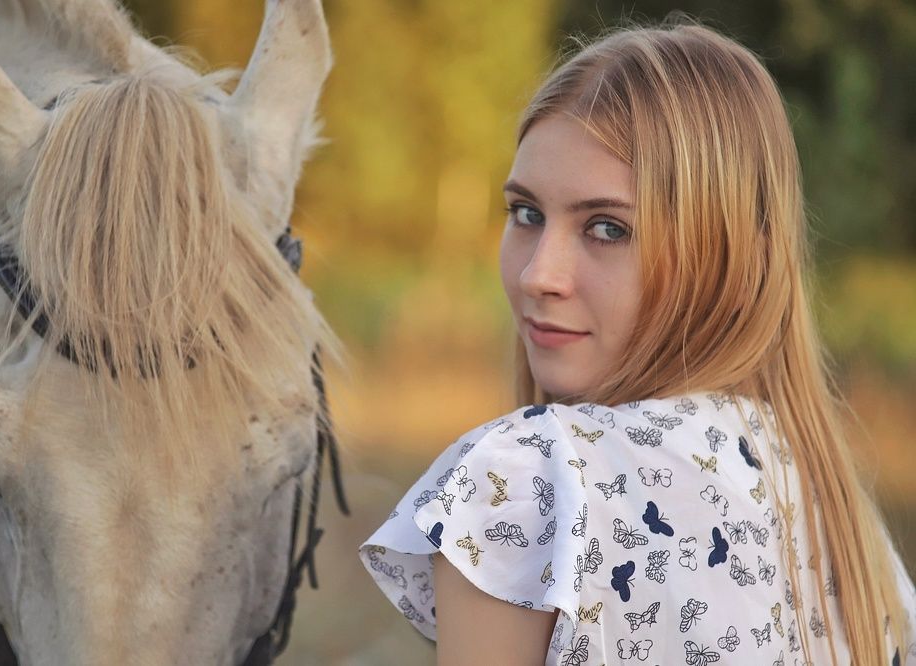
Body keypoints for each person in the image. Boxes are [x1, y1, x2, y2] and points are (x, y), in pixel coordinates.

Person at [358, 19, 916, 666]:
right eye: (527, 214)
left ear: (736, 258)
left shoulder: (526, 482)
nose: (538, 275)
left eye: (608, 228)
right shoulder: (832, 511)